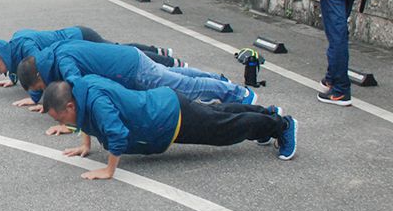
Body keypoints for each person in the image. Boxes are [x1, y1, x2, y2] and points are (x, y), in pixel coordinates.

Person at [39, 76, 298, 181]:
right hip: (165, 104)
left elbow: (117, 133)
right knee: (218, 115)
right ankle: (267, 116)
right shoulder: (82, 89)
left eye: (60, 118)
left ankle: (281, 126)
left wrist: (108, 169)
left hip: (168, 118)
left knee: (223, 130)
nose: (62, 124)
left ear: (70, 105)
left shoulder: (95, 102)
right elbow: (86, 118)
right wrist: (85, 144)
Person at [15, 41, 256, 108]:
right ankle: (218, 80)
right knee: (174, 75)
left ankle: (238, 93)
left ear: (39, 75)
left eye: (40, 86)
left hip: (131, 69)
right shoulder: (55, 54)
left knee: (183, 86)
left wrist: (74, 124)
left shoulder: (63, 62)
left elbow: (78, 87)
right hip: (129, 59)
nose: (45, 87)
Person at [0, 27, 184, 94]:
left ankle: (170, 62)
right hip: (74, 44)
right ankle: (160, 53)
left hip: (80, 38)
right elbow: (21, 67)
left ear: (2, 56)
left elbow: (38, 70)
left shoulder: (26, 47)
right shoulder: (13, 49)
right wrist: (13, 78)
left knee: (120, 52)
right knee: (119, 48)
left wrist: (35, 96)